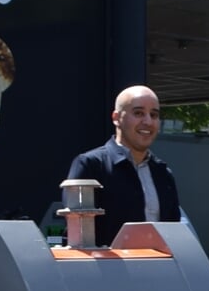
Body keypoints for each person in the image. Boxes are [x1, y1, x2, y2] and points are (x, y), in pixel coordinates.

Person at [64, 84, 182, 245]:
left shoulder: (163, 173)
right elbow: (77, 236)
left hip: (158, 269)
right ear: (116, 118)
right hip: (106, 268)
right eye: (138, 113)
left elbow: (174, 233)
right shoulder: (91, 166)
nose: (147, 121)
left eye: (154, 115)